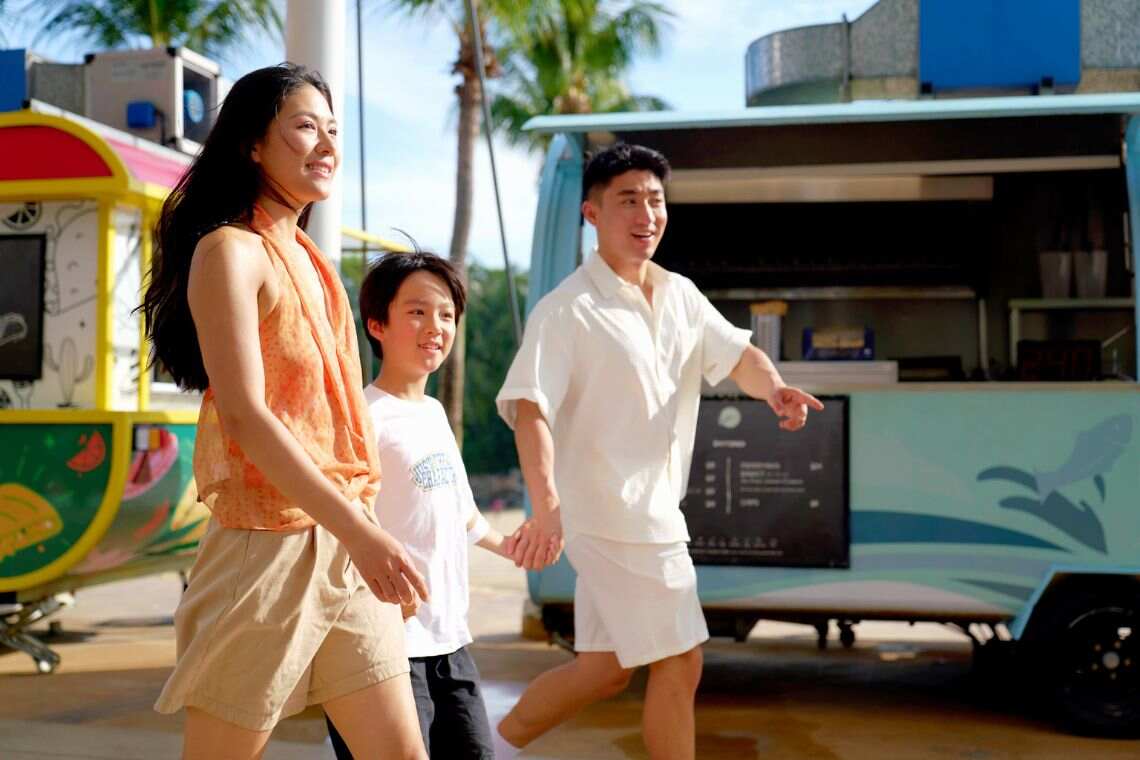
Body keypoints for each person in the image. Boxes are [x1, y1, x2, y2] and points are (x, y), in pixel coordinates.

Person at [494, 143, 824, 759]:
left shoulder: (679, 293)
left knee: (603, 670)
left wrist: (775, 389)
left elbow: (738, 355)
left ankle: (486, 747)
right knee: (681, 660)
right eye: (628, 200)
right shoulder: (566, 310)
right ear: (592, 213)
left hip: (651, 512)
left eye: (655, 199)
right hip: (616, 518)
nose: (646, 214)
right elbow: (529, 408)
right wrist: (546, 507)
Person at [144, 63, 428, 760]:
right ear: (252, 144)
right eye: (305, 127)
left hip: (342, 538)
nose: (327, 144)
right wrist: (361, 533)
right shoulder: (228, 251)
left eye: (333, 129)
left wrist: (361, 527)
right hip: (263, 549)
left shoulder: (312, 259)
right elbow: (245, 414)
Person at [325, 252, 518, 759]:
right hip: (383, 648)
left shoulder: (432, 412)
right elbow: (332, 521)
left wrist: (514, 547)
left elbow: (462, 515)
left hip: (449, 642)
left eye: (446, 315)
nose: (435, 326)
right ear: (377, 325)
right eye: (417, 312)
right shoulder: (363, 418)